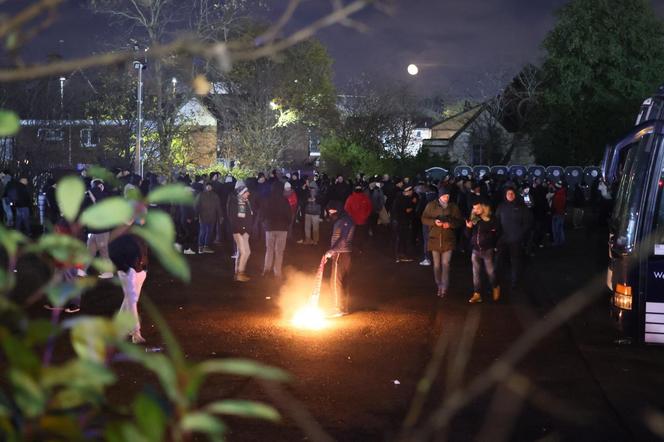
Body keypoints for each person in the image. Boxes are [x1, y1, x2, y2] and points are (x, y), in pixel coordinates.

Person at [421, 188, 463, 297]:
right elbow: (424, 218)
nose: (446, 198)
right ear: (439, 196)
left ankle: (444, 287)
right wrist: (434, 222)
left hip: (448, 239)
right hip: (434, 239)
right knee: (437, 265)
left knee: (446, 264)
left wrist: (450, 224)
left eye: (448, 196)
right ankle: (438, 284)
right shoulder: (431, 205)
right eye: (445, 196)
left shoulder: (453, 207)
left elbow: (459, 221)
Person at [109, 229, 149, 344]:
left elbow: (144, 250)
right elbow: (112, 252)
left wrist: (144, 269)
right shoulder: (118, 232)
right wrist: (127, 269)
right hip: (128, 271)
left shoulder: (137, 230)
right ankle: (136, 332)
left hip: (139, 270)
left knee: (130, 300)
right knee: (132, 301)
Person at [495, 187, 533, 289]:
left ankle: (514, 281)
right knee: (500, 260)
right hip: (504, 239)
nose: (510, 195)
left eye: (512, 193)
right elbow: (497, 222)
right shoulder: (501, 206)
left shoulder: (521, 206)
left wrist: (520, 234)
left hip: (516, 239)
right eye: (508, 194)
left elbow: (527, 223)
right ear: (505, 195)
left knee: (515, 261)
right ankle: (498, 280)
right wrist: (498, 236)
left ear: (515, 194)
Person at [465, 198, 500, 303]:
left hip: (487, 249)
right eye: (474, 208)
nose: (475, 210)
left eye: (477, 208)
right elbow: (467, 235)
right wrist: (468, 227)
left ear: (483, 207)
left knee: (490, 271)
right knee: (476, 273)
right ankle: (477, 294)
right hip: (475, 250)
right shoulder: (474, 218)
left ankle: (495, 286)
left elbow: (497, 233)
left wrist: (491, 239)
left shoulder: (491, 218)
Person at [324, 201, 355, 317]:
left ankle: (337, 308)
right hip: (345, 254)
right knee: (343, 281)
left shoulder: (344, 221)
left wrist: (332, 250)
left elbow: (343, 238)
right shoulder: (344, 219)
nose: (330, 213)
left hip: (340, 254)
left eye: (332, 211)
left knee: (335, 281)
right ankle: (343, 307)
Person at [79, 179, 114, 278]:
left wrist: (92, 191)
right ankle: (82, 270)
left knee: (103, 251)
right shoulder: (95, 198)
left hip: (102, 230)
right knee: (90, 250)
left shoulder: (103, 197)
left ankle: (108, 272)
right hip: (95, 230)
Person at [263, 181, 291, 278]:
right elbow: (289, 215)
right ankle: (277, 272)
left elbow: (263, 213)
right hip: (282, 229)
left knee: (269, 249)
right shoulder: (285, 200)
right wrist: (287, 224)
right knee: (279, 251)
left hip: (270, 228)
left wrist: (265, 223)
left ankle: (266, 269)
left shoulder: (267, 199)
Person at [228, 180, 253, 282]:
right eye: (247, 192)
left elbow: (248, 216)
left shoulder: (245, 201)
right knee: (244, 252)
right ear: (242, 193)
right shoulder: (236, 202)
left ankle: (238, 272)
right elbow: (233, 218)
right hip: (239, 231)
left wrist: (247, 231)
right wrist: (243, 230)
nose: (249, 193)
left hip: (244, 232)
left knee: (244, 252)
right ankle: (239, 274)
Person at [391, 185, 418, 262]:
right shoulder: (406, 199)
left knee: (398, 239)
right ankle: (401, 255)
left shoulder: (398, 198)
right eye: (411, 191)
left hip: (397, 221)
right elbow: (407, 210)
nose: (412, 192)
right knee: (402, 239)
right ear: (407, 191)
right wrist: (413, 204)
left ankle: (397, 255)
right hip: (402, 222)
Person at [195, 182, 222, 254]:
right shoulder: (201, 195)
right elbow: (197, 205)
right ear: (205, 187)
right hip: (203, 217)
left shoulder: (215, 195)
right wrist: (196, 215)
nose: (209, 187)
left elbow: (218, 207)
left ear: (212, 187)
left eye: (210, 186)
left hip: (212, 217)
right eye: (207, 186)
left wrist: (220, 216)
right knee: (202, 232)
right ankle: (200, 247)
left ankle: (206, 246)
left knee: (209, 232)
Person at [344, 184, 372, 253]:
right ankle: (359, 248)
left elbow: (346, 208)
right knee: (360, 235)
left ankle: (353, 248)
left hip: (354, 221)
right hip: (361, 220)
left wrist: (351, 216)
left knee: (353, 234)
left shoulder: (351, 197)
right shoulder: (365, 198)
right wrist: (365, 216)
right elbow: (369, 208)